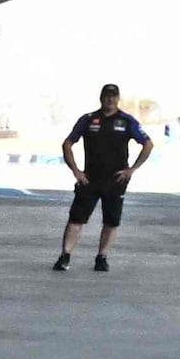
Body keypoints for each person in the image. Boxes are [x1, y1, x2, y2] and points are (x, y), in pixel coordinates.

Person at [57, 81, 154, 271]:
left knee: (111, 220)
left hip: (115, 180)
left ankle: (102, 257)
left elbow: (148, 143)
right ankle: (65, 256)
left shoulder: (127, 121)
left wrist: (131, 170)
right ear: (101, 98)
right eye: (106, 96)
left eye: (113, 96)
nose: (110, 99)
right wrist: (76, 171)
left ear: (118, 99)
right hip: (89, 179)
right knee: (76, 219)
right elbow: (68, 143)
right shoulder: (88, 119)